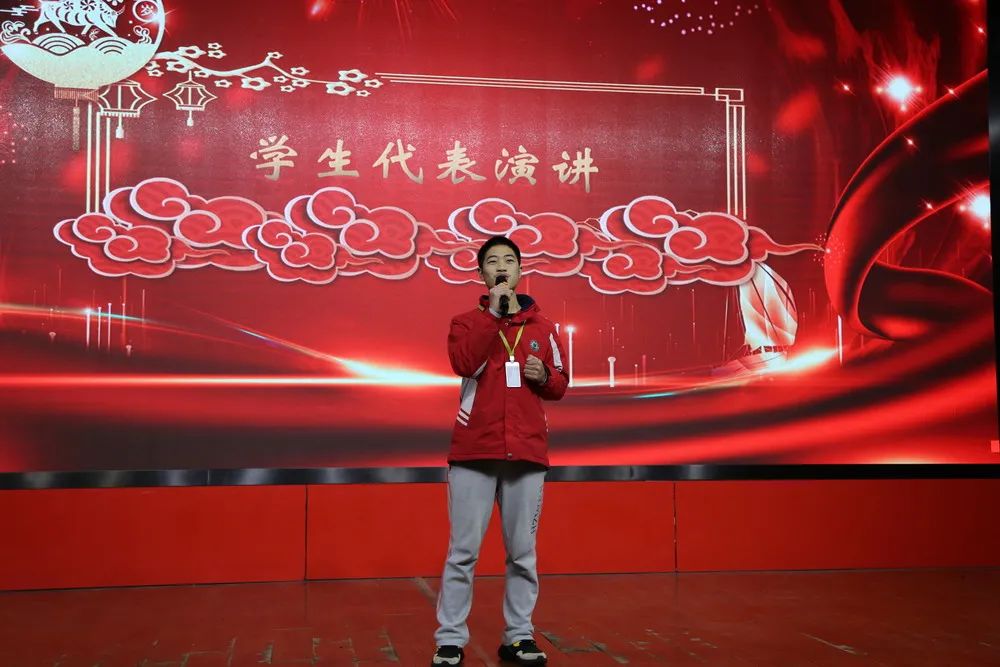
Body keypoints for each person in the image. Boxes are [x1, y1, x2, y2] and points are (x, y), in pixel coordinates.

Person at [431, 235, 569, 666]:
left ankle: (519, 636)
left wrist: (544, 375)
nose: (502, 267)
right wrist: (493, 314)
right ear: (482, 274)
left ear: (520, 270)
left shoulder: (544, 328)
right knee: (463, 552)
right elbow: (463, 363)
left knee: (522, 554)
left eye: (509, 260)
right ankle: (450, 639)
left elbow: (560, 384)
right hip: (474, 451)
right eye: (493, 262)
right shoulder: (465, 323)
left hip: (526, 453)